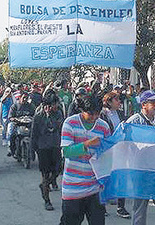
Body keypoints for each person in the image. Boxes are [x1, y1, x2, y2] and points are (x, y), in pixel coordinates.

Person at [59, 94, 110, 225]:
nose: (94, 118)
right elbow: (66, 152)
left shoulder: (103, 126)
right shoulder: (70, 123)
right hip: (73, 188)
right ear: (82, 110)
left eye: (97, 114)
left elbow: (108, 154)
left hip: (95, 188)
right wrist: (87, 144)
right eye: (90, 114)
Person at [126, 89, 155, 225]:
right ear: (143, 105)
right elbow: (126, 145)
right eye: (152, 102)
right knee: (139, 208)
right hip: (141, 172)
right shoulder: (134, 122)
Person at [99, 91, 131, 219]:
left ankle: (121, 207)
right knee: (105, 178)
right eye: (116, 100)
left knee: (121, 177)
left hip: (120, 148)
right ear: (109, 101)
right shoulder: (102, 114)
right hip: (107, 150)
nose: (119, 102)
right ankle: (102, 206)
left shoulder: (120, 113)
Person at [31, 90, 64, 211]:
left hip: (55, 146)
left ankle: (46, 184)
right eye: (55, 104)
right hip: (43, 148)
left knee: (58, 170)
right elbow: (34, 134)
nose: (57, 106)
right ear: (48, 106)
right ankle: (47, 200)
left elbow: (58, 127)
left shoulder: (59, 114)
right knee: (45, 175)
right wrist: (32, 151)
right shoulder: (39, 116)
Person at [8, 91, 35, 157]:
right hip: (18, 125)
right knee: (12, 136)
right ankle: (12, 151)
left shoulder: (31, 106)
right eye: (23, 98)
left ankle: (33, 151)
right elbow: (10, 116)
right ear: (20, 98)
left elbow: (35, 115)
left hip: (28, 125)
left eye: (26, 98)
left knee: (36, 136)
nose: (25, 99)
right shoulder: (14, 106)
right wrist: (13, 119)